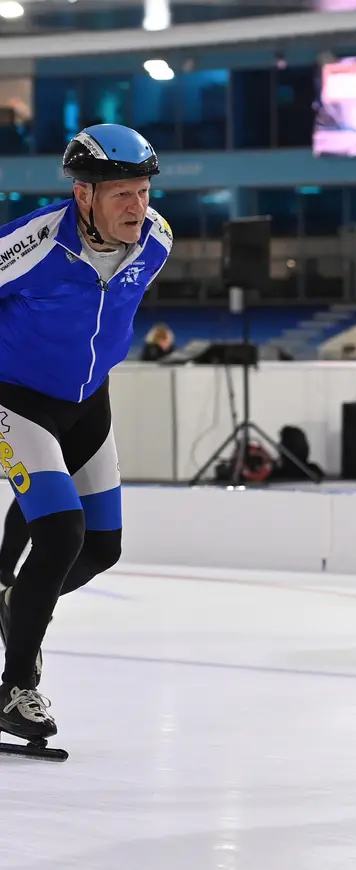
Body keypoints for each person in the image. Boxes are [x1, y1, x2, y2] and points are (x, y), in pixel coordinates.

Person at [0, 123, 171, 745]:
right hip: (15, 399)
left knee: (101, 548)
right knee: (60, 531)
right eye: (121, 192)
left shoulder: (157, 240)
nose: (137, 205)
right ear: (84, 195)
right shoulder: (34, 242)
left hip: (87, 402)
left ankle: (15, 601)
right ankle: (15, 687)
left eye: (143, 190)